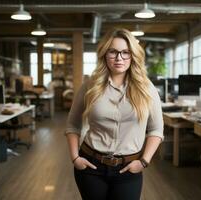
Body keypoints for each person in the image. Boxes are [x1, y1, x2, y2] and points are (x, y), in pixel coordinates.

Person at [65, 28, 164, 200]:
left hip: (129, 167)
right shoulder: (90, 86)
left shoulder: (146, 88)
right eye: (113, 52)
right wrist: (75, 158)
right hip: (91, 167)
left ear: (133, 55)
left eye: (125, 52)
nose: (119, 58)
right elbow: (72, 124)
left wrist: (143, 161)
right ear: (105, 54)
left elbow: (156, 129)